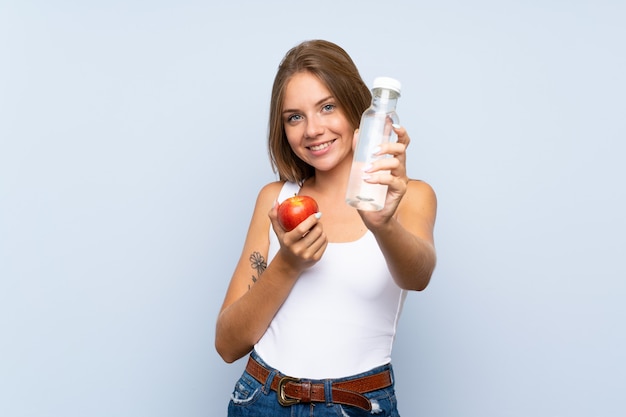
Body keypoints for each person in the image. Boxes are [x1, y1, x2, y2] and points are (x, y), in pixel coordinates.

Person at [215, 39, 437, 416]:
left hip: (358, 405)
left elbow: (417, 275)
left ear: (357, 108)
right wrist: (287, 263)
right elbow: (228, 344)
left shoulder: (410, 197)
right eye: (294, 117)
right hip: (261, 399)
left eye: (327, 107)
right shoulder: (275, 200)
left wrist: (383, 225)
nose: (313, 129)